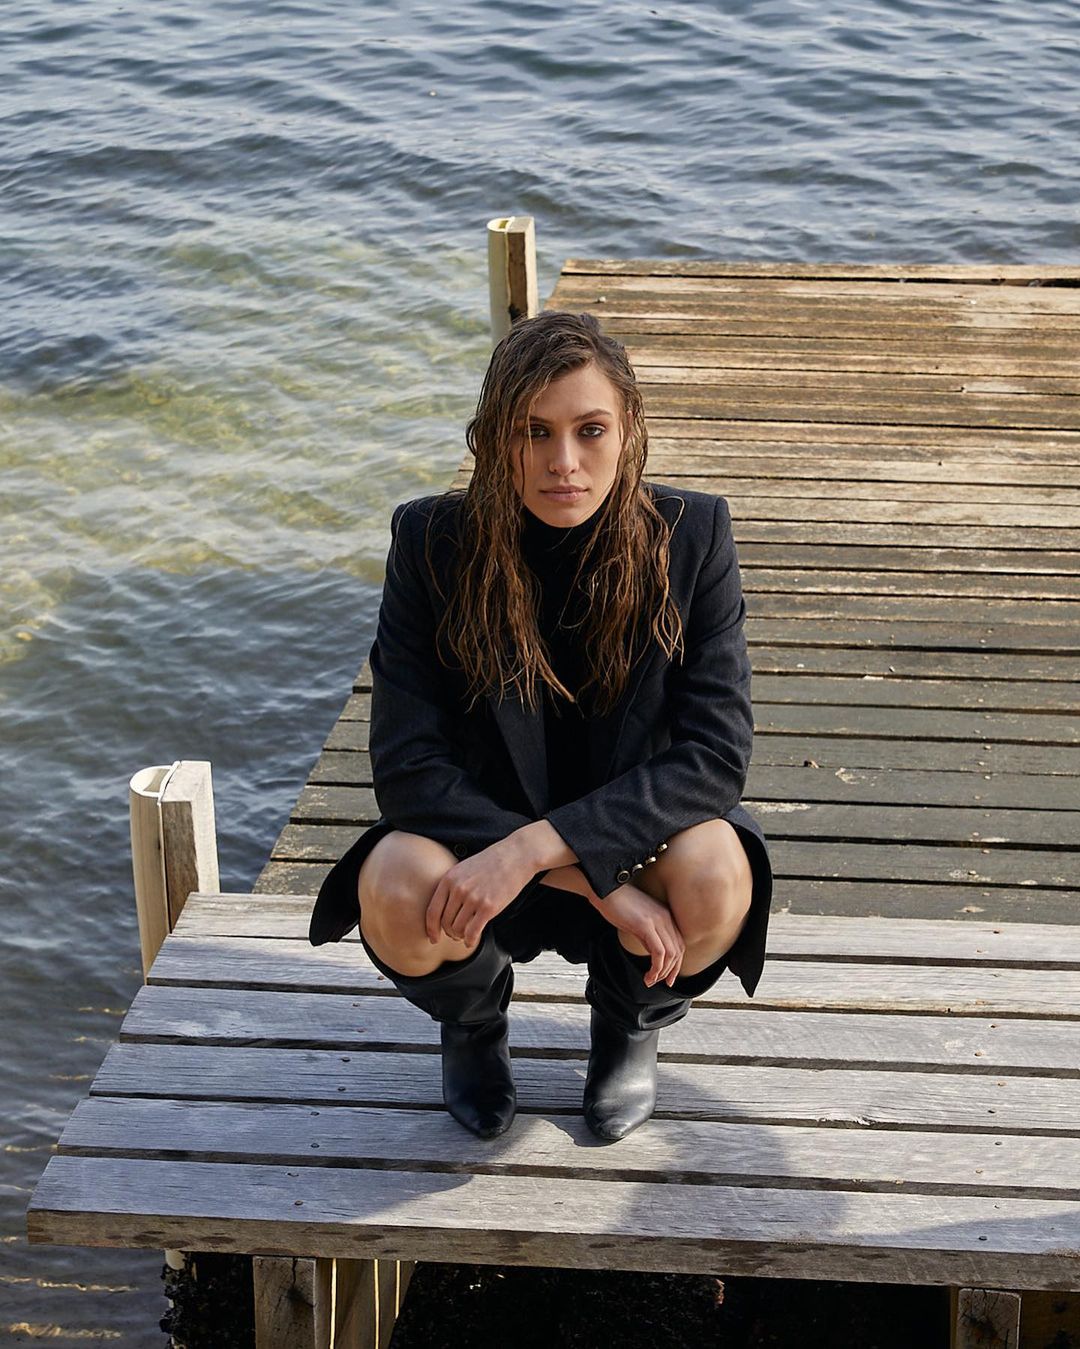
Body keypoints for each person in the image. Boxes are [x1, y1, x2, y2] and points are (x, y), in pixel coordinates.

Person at [307, 310, 773, 1143]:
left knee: (717, 871)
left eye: (590, 430)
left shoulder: (693, 536)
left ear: (628, 431)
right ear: (497, 438)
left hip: (635, 854)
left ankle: (627, 1025)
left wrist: (539, 851)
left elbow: (714, 754)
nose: (564, 461)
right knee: (395, 880)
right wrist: (588, 882)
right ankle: (473, 1026)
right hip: (482, 860)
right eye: (535, 432)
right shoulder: (430, 542)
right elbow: (408, 766)